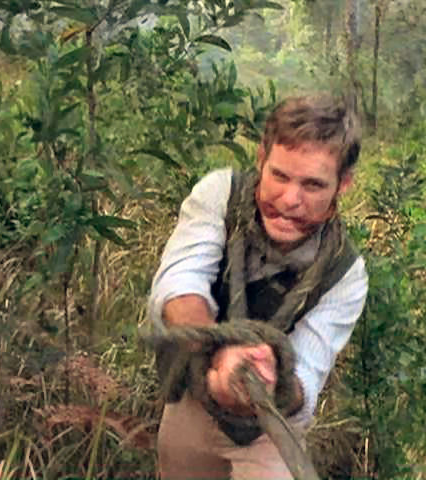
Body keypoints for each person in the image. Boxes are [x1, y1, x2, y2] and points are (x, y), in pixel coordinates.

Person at [148, 94, 369, 479]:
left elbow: (306, 381)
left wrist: (269, 381)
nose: (290, 200)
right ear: (261, 158)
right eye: (279, 176)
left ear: (343, 185)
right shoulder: (219, 195)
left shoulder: (345, 274)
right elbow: (180, 285)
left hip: (272, 432)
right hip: (192, 402)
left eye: (313, 185)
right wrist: (222, 356)